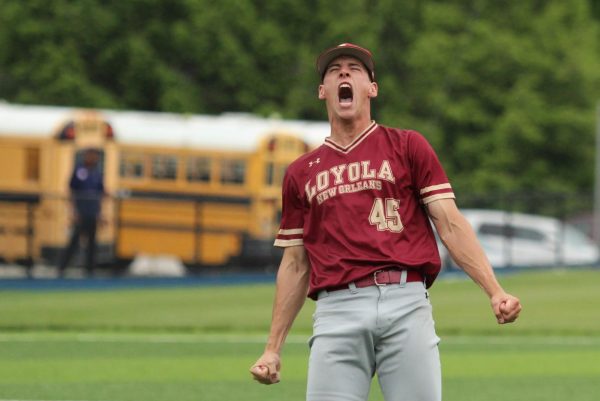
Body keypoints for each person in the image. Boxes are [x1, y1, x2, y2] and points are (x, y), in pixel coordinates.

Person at [249, 43, 522, 401]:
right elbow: (296, 264)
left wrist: (494, 290)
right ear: (322, 91)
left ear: (371, 88)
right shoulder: (301, 172)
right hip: (336, 310)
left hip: (405, 301)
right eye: (334, 70)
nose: (344, 73)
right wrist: (273, 348)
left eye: (355, 69)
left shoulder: (407, 146)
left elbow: (450, 223)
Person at [58, 148, 105, 278]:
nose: (93, 158)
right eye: (91, 155)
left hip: (92, 212)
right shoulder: (79, 171)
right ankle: (62, 268)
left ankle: (90, 270)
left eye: (95, 155)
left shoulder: (97, 172)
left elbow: (100, 193)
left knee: (92, 243)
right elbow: (71, 190)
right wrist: (73, 211)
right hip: (81, 211)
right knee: (74, 241)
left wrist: (101, 213)